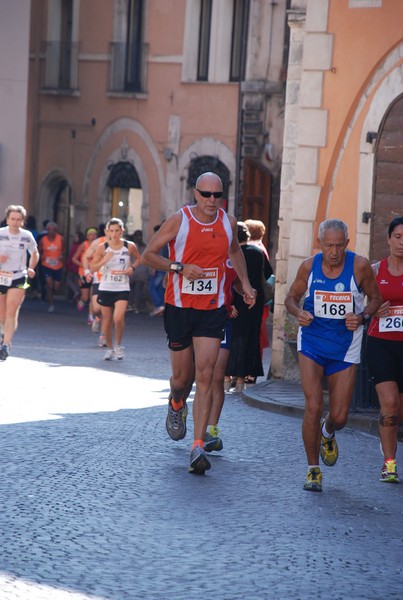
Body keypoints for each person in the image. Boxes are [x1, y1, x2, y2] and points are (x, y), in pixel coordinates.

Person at [141, 171, 256, 475]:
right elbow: (148, 256)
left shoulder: (228, 223)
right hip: (179, 306)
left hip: (212, 308)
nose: (211, 200)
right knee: (183, 380)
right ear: (195, 193)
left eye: (217, 196)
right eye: (206, 194)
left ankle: (197, 445)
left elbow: (234, 252)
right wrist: (178, 267)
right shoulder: (180, 221)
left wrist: (245, 284)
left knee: (206, 374)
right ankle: (176, 403)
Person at [285, 218, 382, 493]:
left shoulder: (359, 265)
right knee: (313, 405)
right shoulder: (309, 266)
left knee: (339, 415)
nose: (335, 252)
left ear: (347, 245)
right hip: (312, 343)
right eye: (329, 246)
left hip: (345, 346)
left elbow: (375, 298)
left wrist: (362, 316)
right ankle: (313, 470)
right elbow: (291, 297)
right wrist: (298, 312)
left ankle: (328, 431)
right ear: (320, 244)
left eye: (340, 246)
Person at [366, 216, 403, 484]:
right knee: (389, 405)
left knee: (399, 411)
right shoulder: (375, 270)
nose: (402, 243)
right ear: (389, 239)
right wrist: (372, 310)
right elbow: (358, 306)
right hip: (380, 343)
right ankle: (389, 463)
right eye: (398, 236)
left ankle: (389, 443)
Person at [226, 222, 273, 392]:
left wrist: (229, 304)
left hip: (236, 301)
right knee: (252, 337)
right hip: (255, 300)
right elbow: (268, 274)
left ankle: (230, 378)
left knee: (234, 338)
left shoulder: (231, 254)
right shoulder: (259, 252)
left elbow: (228, 279)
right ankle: (246, 377)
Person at [90, 218, 140, 360]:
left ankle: (118, 346)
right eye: (111, 231)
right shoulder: (102, 247)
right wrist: (105, 260)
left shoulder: (129, 246)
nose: (114, 233)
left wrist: (132, 268)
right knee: (107, 321)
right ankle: (110, 348)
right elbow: (93, 267)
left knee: (118, 318)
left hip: (122, 287)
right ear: (107, 232)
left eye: (117, 230)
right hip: (106, 287)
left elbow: (138, 259)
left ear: (122, 231)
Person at [0, 204, 39, 360]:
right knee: (2, 313)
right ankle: (3, 334)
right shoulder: (0, 234)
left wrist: (31, 268)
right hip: (1, 276)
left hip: (19, 276)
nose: (15, 222)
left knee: (11, 311)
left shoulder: (27, 236)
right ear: (7, 219)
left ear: (22, 221)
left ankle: (5, 345)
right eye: (12, 219)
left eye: (18, 219)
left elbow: (35, 253)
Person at [245, 218, 272, 360]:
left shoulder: (256, 249)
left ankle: (251, 367)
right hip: (257, 296)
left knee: (255, 333)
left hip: (254, 296)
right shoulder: (261, 248)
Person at [72, 227, 98, 321]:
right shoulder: (84, 245)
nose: (92, 236)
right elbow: (74, 258)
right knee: (86, 297)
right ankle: (82, 301)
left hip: (94, 273)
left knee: (93, 296)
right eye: (90, 235)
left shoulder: (99, 245)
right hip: (83, 273)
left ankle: (90, 316)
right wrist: (83, 265)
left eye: (94, 234)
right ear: (87, 236)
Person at [38, 221, 64, 312]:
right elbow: (39, 250)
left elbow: (64, 250)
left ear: (56, 230)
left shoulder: (60, 239)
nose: (51, 232)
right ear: (47, 230)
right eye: (49, 230)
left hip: (58, 265)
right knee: (50, 285)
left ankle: (51, 293)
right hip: (46, 265)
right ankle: (51, 304)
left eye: (53, 230)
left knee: (55, 287)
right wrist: (41, 256)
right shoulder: (43, 240)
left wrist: (61, 255)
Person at [148, 223, 168, 317]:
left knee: (152, 287)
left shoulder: (159, 241)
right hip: (166, 267)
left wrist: (153, 266)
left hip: (159, 267)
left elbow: (155, 255)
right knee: (160, 288)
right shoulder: (168, 239)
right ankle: (162, 307)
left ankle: (159, 305)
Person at [65, 231, 84, 303]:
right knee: (76, 281)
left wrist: (67, 264)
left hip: (73, 266)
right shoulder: (82, 246)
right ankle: (76, 297)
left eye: (76, 237)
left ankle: (76, 292)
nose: (74, 238)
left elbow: (71, 257)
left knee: (69, 280)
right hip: (79, 266)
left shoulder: (75, 246)